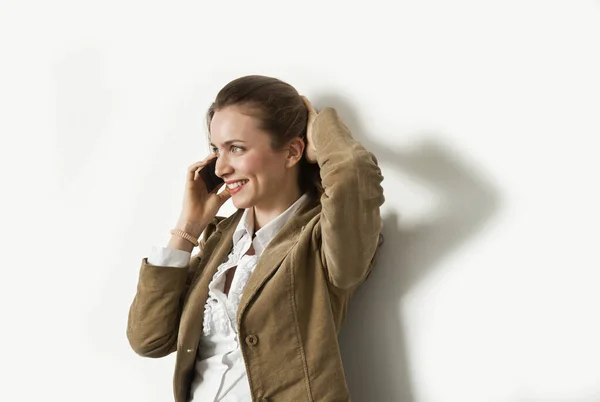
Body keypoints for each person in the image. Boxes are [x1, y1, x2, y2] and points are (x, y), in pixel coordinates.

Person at [127, 75, 385, 402]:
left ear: (293, 151)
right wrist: (188, 226)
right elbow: (148, 340)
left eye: (236, 148)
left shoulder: (325, 237)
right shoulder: (222, 240)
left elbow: (351, 173)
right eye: (215, 150)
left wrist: (320, 123)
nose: (220, 167)